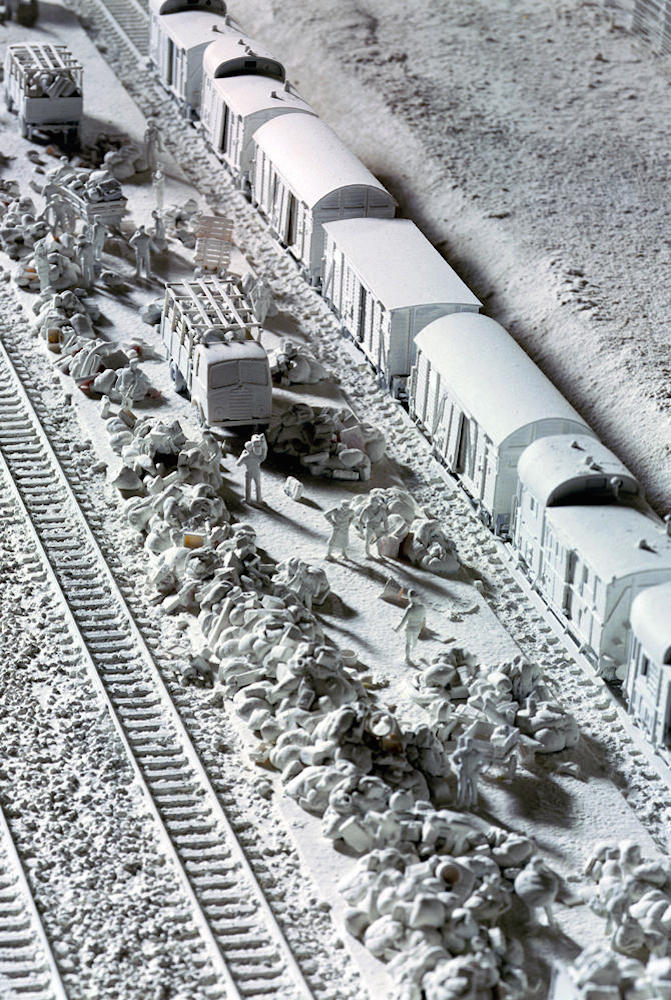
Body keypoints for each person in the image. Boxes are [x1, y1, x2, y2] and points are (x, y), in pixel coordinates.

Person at [393, 588, 426, 665]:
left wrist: (397, 629)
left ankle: (407, 657)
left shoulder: (410, 609)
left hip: (409, 628)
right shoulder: (422, 608)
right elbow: (423, 619)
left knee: (408, 643)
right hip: (417, 628)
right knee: (414, 641)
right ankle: (412, 651)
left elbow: (403, 621)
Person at [237, 432, 267, 503]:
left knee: (248, 487)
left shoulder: (245, 457)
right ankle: (259, 500)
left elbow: (238, 464)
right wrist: (264, 445)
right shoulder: (258, 457)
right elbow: (264, 453)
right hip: (257, 473)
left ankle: (248, 500)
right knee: (258, 486)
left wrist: (242, 455)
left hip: (249, 473)